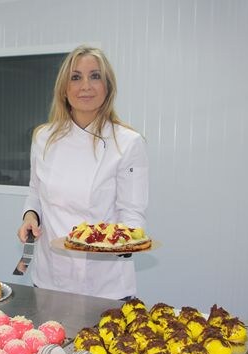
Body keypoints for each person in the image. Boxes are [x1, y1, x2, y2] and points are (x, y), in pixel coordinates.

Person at [17, 45, 148, 300]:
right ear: (64, 90)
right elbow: (35, 192)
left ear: (107, 87)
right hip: (49, 278)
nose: (85, 85)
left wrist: (125, 243)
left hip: (105, 283)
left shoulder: (128, 142)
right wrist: (30, 216)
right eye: (75, 77)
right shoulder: (43, 137)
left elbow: (132, 212)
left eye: (95, 76)